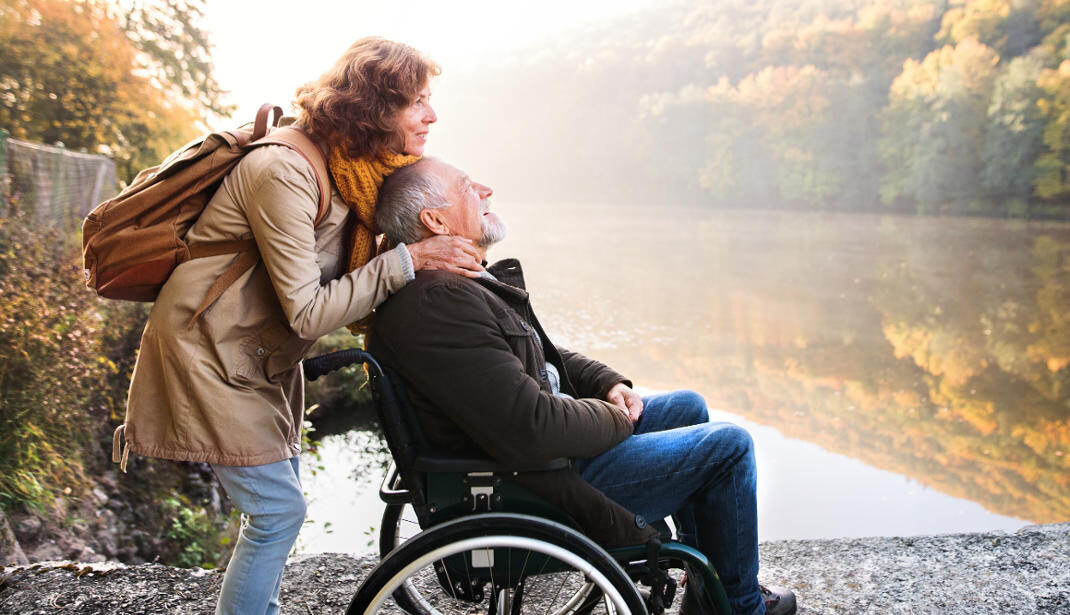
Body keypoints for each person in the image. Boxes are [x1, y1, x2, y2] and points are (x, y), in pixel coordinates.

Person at [113, 39, 484, 615]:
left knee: (276, 506)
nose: (432, 116)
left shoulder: (356, 173)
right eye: (417, 102)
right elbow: (308, 311)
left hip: (255, 355)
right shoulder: (284, 170)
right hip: (209, 352)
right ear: (373, 109)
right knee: (275, 511)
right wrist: (410, 260)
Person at [366, 156, 798, 615]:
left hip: (543, 456)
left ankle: (709, 590)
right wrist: (615, 419)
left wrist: (608, 383)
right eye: (468, 187)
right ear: (434, 220)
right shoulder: (438, 305)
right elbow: (533, 427)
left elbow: (539, 354)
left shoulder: (456, 284)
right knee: (728, 448)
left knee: (688, 406)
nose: (486, 190)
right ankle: (739, 605)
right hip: (539, 482)